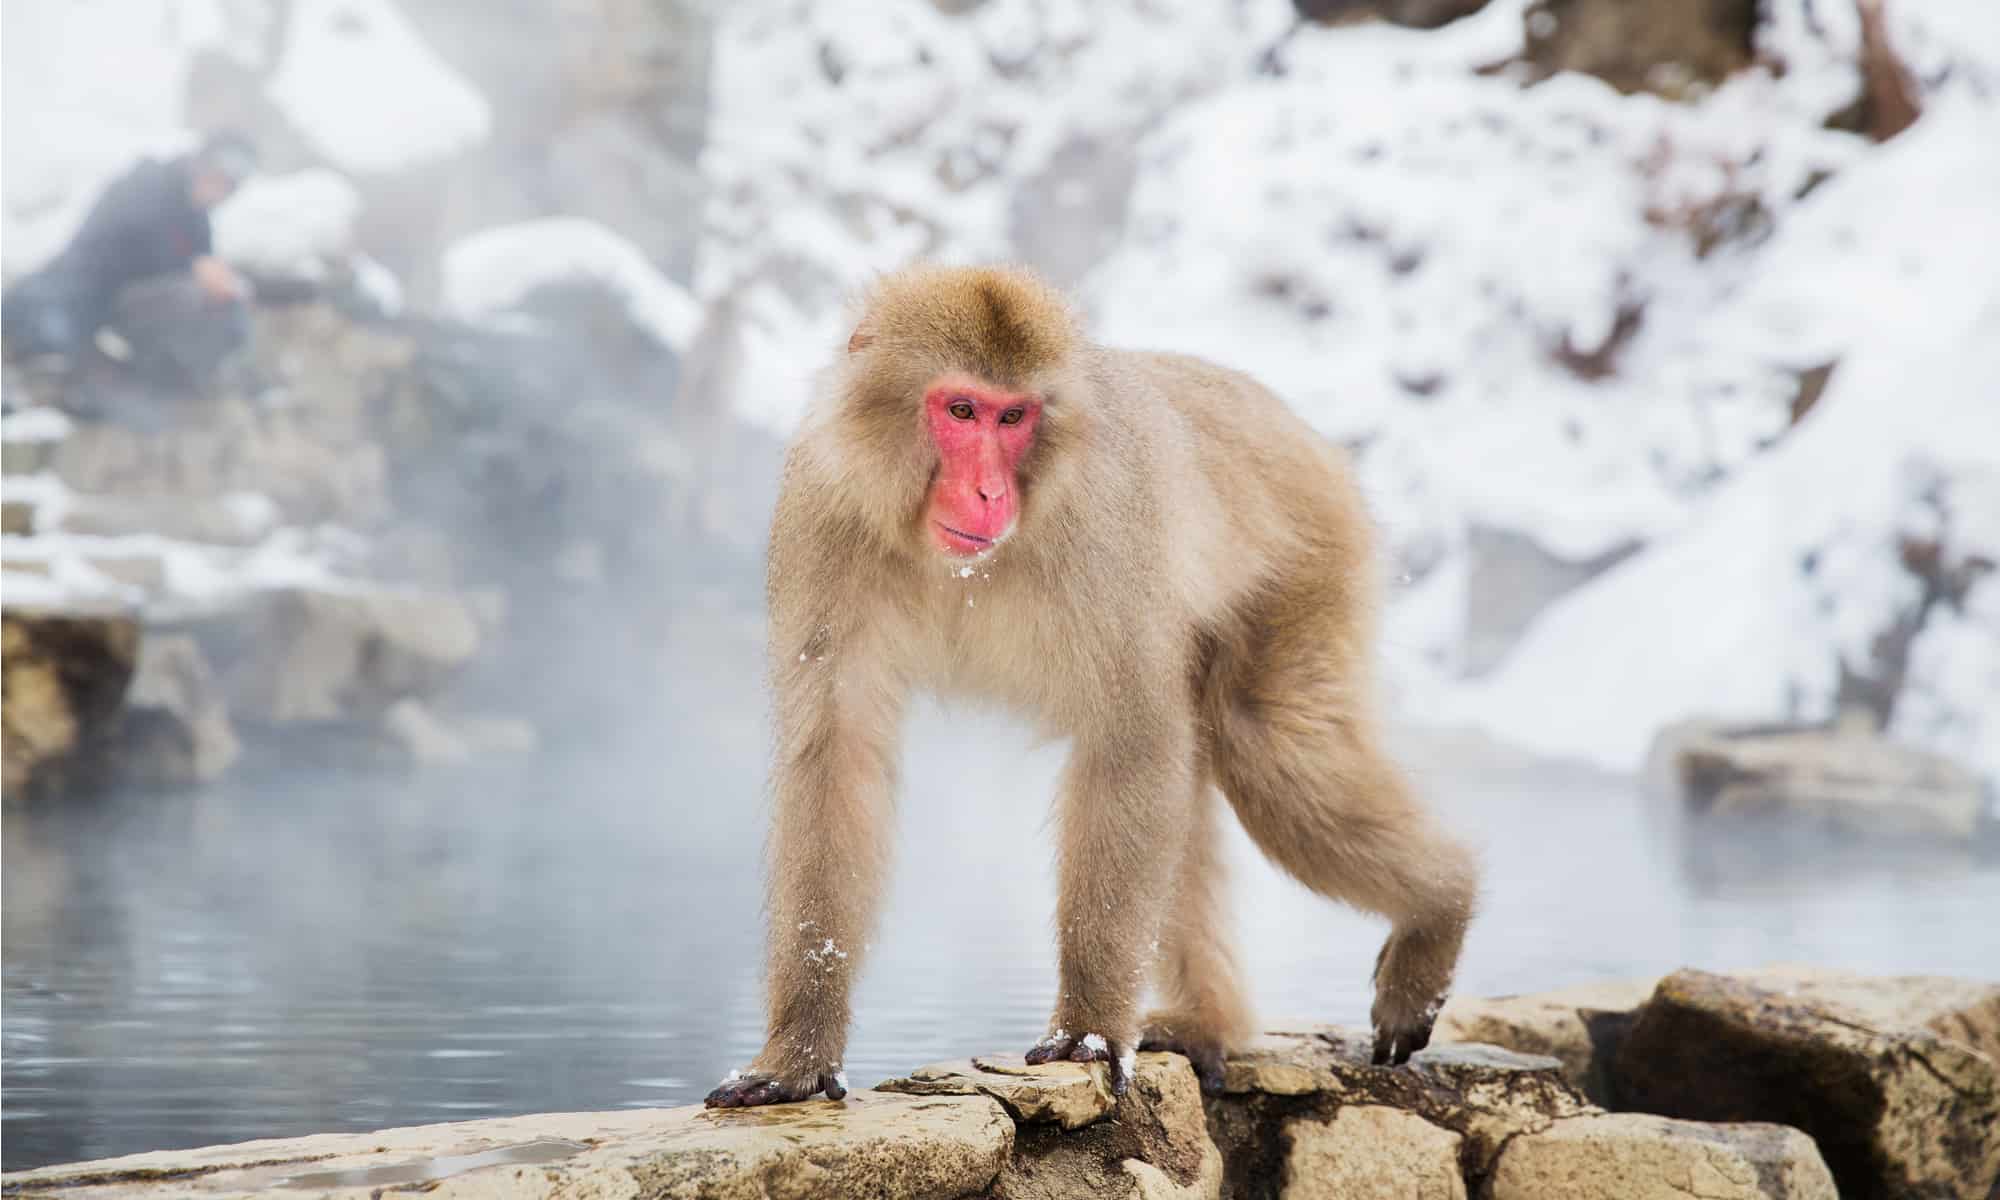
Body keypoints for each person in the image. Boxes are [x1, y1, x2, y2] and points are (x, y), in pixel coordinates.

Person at [2, 130, 257, 387]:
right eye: (216, 178)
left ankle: (177, 378)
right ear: (200, 164)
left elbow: (205, 264)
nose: (217, 191)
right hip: (83, 296)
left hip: (122, 306)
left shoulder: (197, 219)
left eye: (227, 186)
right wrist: (193, 269)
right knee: (191, 295)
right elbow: (124, 243)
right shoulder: (147, 183)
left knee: (227, 306)